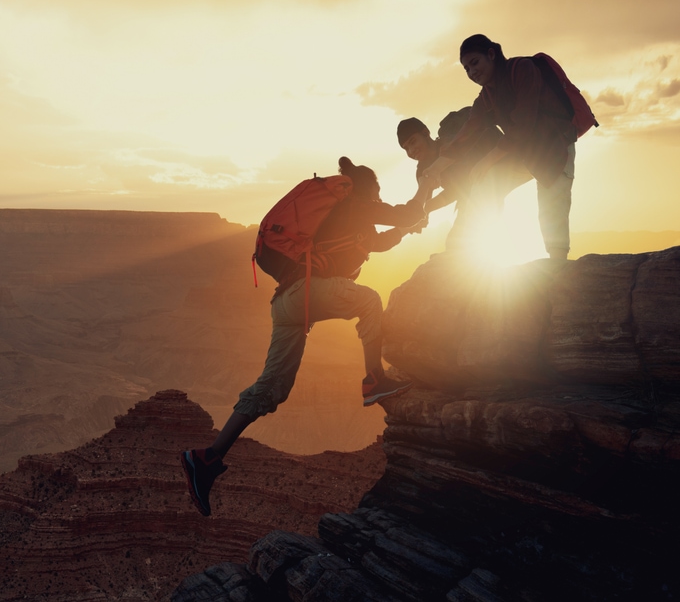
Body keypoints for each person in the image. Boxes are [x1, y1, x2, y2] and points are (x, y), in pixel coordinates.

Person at [180, 157, 428, 517]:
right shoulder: (357, 205)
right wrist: (426, 189)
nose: (378, 197)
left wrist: (408, 227)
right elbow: (402, 215)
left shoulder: (342, 219)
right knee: (370, 301)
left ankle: (207, 457)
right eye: (376, 191)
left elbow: (380, 240)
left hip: (286, 303)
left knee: (271, 388)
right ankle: (374, 379)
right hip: (305, 294)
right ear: (365, 190)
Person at [422, 34, 578, 261]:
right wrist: (435, 169)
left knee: (552, 205)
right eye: (466, 69)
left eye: (475, 63)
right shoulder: (486, 97)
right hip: (522, 152)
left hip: (555, 145)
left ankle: (557, 264)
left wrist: (486, 161)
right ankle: (465, 252)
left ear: (492, 54)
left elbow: (523, 124)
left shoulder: (522, 69)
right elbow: (466, 135)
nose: (471, 72)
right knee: (487, 183)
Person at [397, 110, 530, 251]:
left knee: (472, 218)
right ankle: (462, 257)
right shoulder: (422, 170)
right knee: (455, 242)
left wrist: (427, 207)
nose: (411, 150)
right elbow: (427, 203)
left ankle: (472, 256)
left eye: (413, 142)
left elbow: (463, 184)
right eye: (406, 148)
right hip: (481, 186)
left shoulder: (453, 138)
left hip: (512, 163)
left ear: (425, 133)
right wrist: (419, 216)